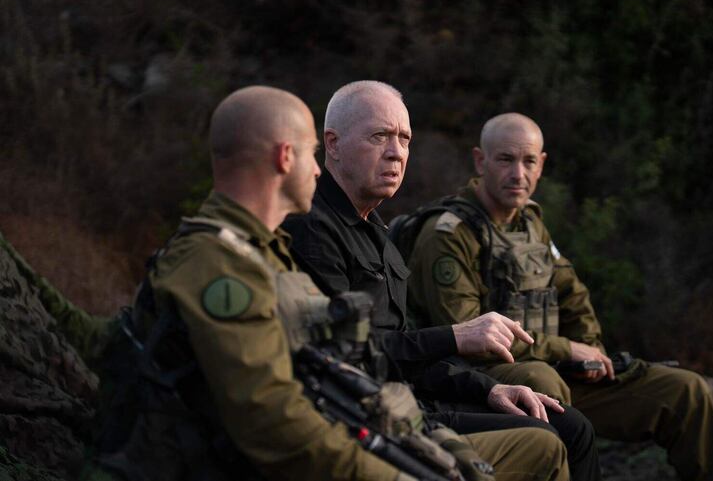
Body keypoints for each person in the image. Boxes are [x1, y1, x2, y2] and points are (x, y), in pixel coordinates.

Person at [92, 88, 570, 481]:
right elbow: (275, 420)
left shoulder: (264, 251)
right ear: (286, 157)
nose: (319, 170)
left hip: (370, 416)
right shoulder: (224, 262)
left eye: (404, 138)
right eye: (313, 154)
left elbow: (332, 368)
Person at [283, 81, 600, 481]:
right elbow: (344, 359)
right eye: (379, 136)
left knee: (571, 426)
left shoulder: (376, 229)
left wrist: (486, 389)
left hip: (410, 397)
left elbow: (405, 349)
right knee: (545, 438)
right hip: (372, 416)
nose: (396, 152)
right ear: (332, 143)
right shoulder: (313, 228)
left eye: (404, 139)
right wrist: (454, 336)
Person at [405, 112, 713, 481]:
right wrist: (567, 351)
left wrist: (590, 352)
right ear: (480, 161)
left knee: (685, 390)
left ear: (542, 164)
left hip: (558, 373)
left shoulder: (531, 222)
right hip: (485, 385)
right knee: (540, 379)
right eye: (505, 160)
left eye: (529, 161)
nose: (518, 174)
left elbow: (571, 293)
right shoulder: (447, 235)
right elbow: (465, 334)